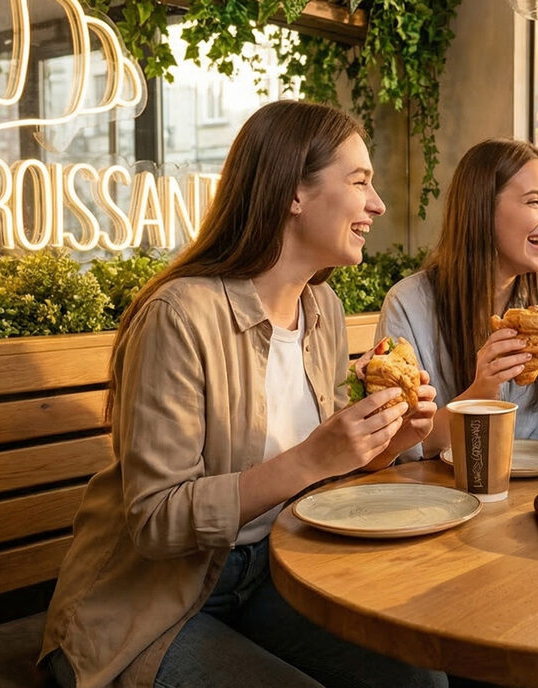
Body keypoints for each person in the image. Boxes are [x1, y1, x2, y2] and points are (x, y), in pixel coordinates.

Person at [39, 100, 446, 688]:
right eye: (359, 181)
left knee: (417, 678)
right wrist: (311, 457)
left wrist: (385, 443)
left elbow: (323, 477)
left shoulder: (321, 308)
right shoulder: (178, 316)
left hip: (274, 572)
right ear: (292, 193)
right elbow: (155, 520)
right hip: (150, 607)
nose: (377, 204)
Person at [377, 138, 538, 459]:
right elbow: (400, 446)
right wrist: (480, 394)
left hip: (534, 488)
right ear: (482, 209)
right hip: (437, 492)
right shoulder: (408, 304)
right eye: (535, 202)